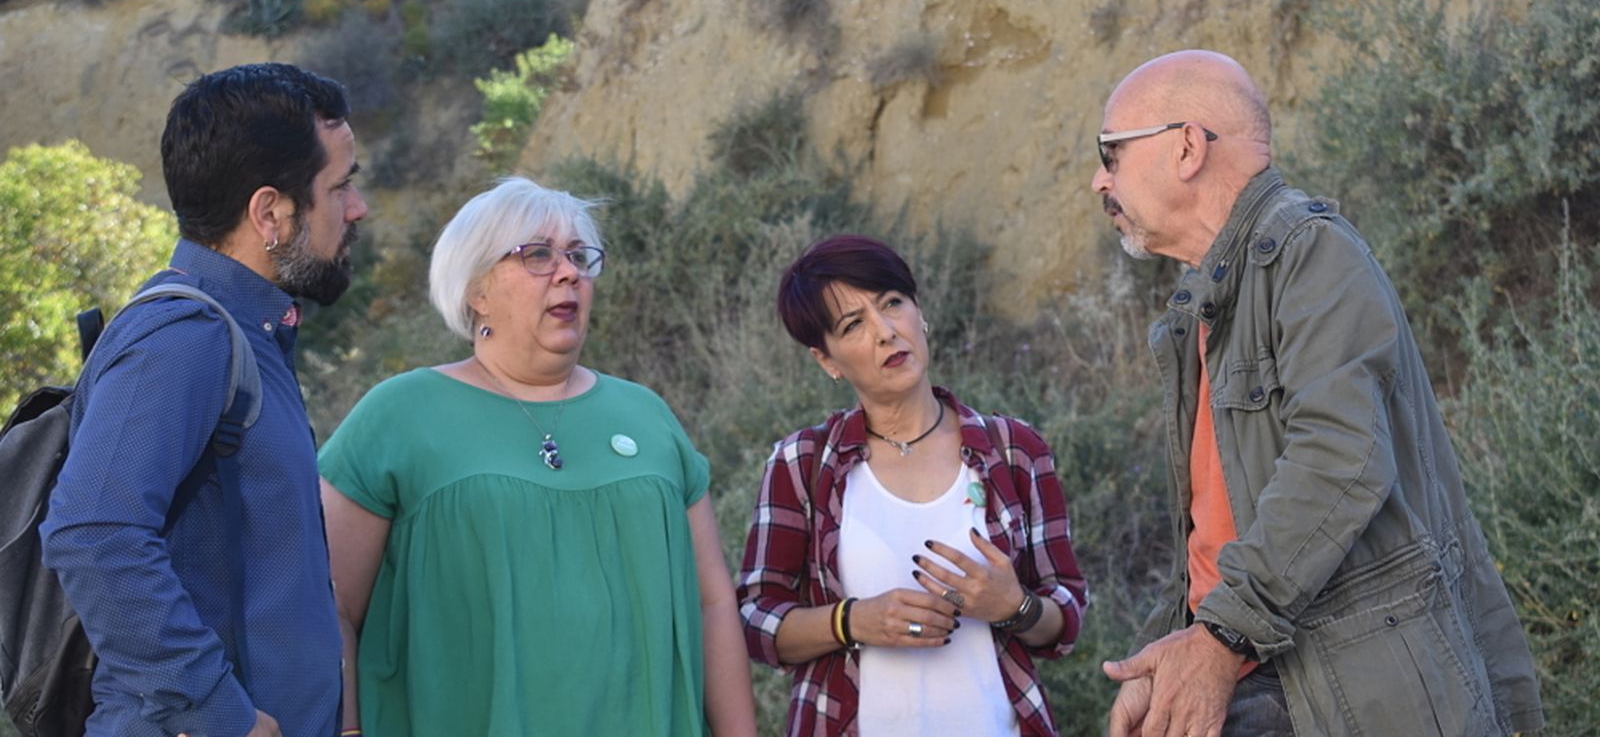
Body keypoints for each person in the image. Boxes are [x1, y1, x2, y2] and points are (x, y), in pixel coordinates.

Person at [1090, 50, 1545, 737]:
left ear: (1186, 147)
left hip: (1336, 689)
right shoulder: (1210, 301)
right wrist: (1177, 661)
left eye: (1111, 152)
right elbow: (1222, 536)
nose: (1100, 178)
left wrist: (1218, 644)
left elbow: (1340, 459)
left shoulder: (1309, 251)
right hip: (1261, 670)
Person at [317, 176, 757, 736]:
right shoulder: (400, 415)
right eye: (538, 255)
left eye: (578, 255)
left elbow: (713, 603)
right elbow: (329, 605)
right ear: (477, 289)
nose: (569, 271)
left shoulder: (647, 416)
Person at [41, 63, 368, 736]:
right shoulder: (185, 336)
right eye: (341, 186)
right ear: (270, 213)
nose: (357, 208)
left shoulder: (248, 331)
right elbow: (93, 531)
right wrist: (224, 714)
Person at [737, 234, 1089, 737]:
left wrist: (1015, 607)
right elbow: (755, 619)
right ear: (827, 360)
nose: (885, 332)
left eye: (892, 304)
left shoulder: (1014, 451)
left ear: (918, 312)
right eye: (853, 324)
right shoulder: (803, 463)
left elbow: (1066, 619)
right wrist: (852, 622)